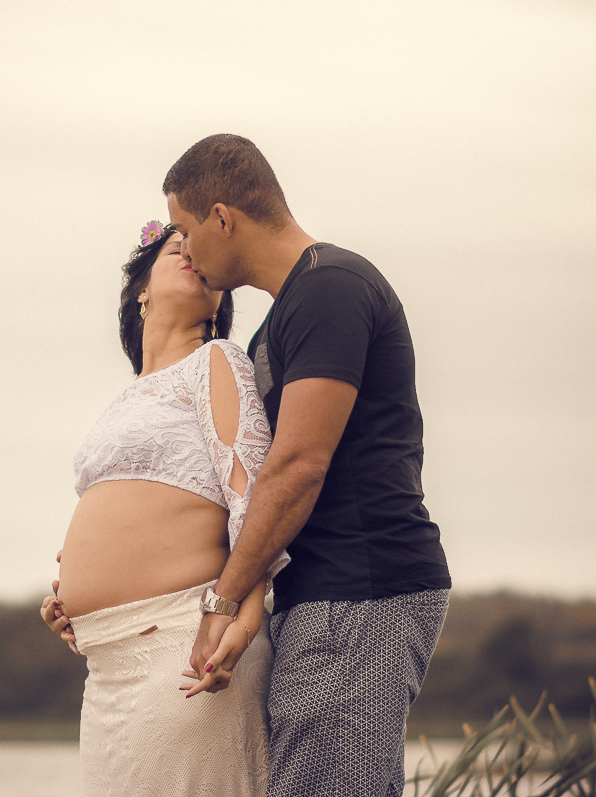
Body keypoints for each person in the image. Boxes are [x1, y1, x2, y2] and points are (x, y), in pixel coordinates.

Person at [162, 134, 453, 797]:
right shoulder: (281, 320)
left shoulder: (331, 288)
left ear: (222, 217)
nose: (183, 249)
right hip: (325, 594)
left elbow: (296, 466)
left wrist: (225, 598)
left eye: (183, 229)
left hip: (362, 588)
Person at [40, 221, 289, 797]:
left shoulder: (217, 363)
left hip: (183, 649)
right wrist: (70, 596)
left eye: (201, 256)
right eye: (177, 248)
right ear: (141, 291)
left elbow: (251, 508)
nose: (192, 255)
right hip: (106, 669)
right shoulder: (126, 398)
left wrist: (244, 622)